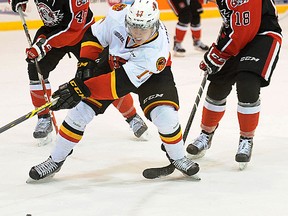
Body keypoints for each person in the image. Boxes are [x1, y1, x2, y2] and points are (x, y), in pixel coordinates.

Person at [27, 0, 200, 181]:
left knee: (165, 116)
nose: (137, 34)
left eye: (143, 29)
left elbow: (117, 85)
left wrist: (80, 89)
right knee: (79, 112)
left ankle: (178, 156)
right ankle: (55, 160)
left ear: (154, 25)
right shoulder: (118, 15)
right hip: (115, 63)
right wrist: (85, 63)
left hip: (152, 75)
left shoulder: (155, 52)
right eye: (133, 27)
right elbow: (93, 36)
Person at [9, 0, 148, 144]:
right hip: (53, 32)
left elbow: (73, 30)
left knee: (101, 77)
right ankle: (44, 118)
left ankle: (131, 116)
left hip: (84, 35)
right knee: (35, 69)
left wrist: (45, 44)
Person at [186, 0, 282, 168]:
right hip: (235, 33)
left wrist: (217, 54)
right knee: (218, 84)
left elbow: (246, 28)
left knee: (247, 83)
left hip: (263, 35)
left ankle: (246, 139)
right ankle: (205, 135)